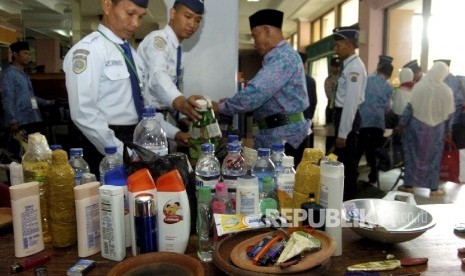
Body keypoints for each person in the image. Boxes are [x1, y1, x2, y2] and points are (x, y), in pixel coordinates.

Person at [63, 0, 165, 175]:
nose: (136, 23)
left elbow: (144, 105)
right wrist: (121, 152)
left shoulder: (133, 56)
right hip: (103, 144)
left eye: (140, 16)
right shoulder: (88, 51)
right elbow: (84, 113)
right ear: (107, 6)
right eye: (130, 13)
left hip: (134, 139)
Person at [212, 9, 310, 166]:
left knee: (280, 187)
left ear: (266, 31)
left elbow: (257, 92)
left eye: (255, 35)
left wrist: (222, 107)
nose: (254, 42)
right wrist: (234, 102)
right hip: (276, 134)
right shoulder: (279, 57)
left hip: (285, 137)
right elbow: (268, 96)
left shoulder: (282, 57)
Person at [137, 0, 205, 152]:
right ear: (173, 13)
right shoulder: (158, 40)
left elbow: (171, 90)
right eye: (188, 16)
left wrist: (183, 117)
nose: (193, 24)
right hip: (149, 126)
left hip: (166, 122)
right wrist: (181, 102)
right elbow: (157, 76)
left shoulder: (177, 49)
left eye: (197, 20)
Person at [397, 61, 455, 196]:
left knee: (412, 155)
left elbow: (410, 107)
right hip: (437, 129)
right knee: (434, 158)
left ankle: (408, 185)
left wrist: (402, 124)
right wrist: (448, 131)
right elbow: (449, 114)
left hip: (416, 126)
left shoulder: (419, 86)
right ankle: (433, 188)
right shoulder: (446, 90)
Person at [0, 41, 54, 160]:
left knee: (35, 156)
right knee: (19, 157)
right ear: (15, 54)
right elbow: (7, 99)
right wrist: (13, 121)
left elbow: (30, 98)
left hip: (33, 119)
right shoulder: (8, 74)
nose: (28, 56)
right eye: (25, 53)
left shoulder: (24, 75)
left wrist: (48, 102)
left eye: (29, 54)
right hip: (20, 122)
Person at [332, 26, 367, 200]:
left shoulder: (355, 68)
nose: (336, 49)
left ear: (349, 44)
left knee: (348, 164)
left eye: (338, 45)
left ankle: (349, 200)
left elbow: (351, 103)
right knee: (342, 162)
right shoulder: (348, 65)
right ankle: (342, 197)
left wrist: (343, 133)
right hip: (343, 116)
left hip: (348, 119)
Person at [356, 61, 394, 184]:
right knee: (373, 149)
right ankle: (373, 174)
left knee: (360, 147)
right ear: (389, 75)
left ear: (378, 69)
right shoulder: (388, 87)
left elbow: (359, 97)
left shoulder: (367, 80)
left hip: (363, 120)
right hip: (378, 122)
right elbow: (388, 106)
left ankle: (353, 172)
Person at [299, 52, 317, 148]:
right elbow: (313, 103)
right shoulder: (310, 81)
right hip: (306, 121)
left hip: (288, 125)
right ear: (305, 64)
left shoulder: (287, 79)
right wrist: (308, 118)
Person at [324, 56, 340, 154]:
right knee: (330, 133)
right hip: (331, 107)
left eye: (338, 66)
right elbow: (329, 94)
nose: (337, 69)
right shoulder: (328, 80)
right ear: (331, 67)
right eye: (335, 66)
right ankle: (329, 154)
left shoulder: (343, 78)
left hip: (340, 108)